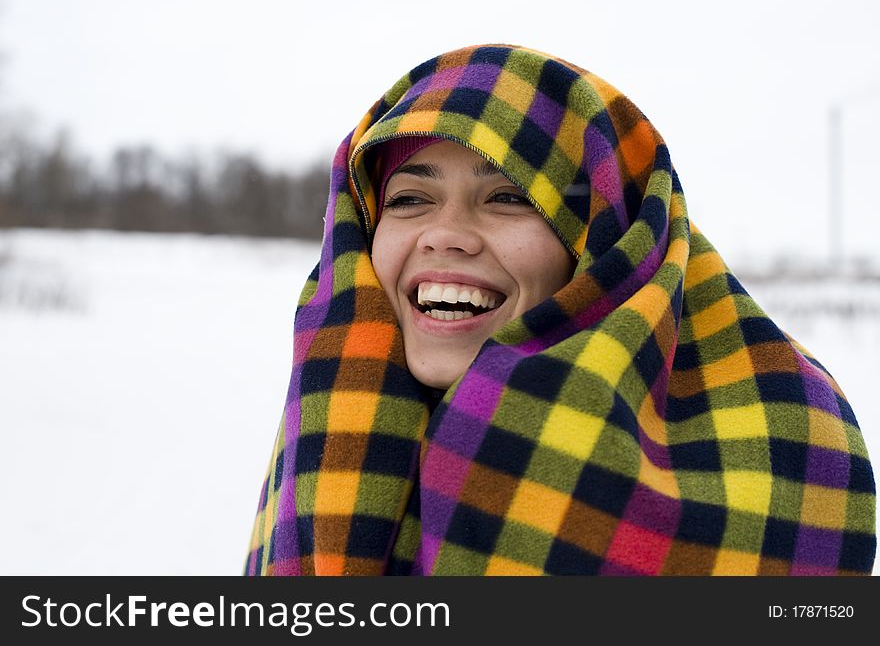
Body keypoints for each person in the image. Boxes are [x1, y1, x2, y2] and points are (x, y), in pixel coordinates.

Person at [246, 44, 876, 576]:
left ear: (601, 245)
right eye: (410, 198)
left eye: (508, 199)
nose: (446, 234)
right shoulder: (334, 425)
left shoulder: (778, 447)